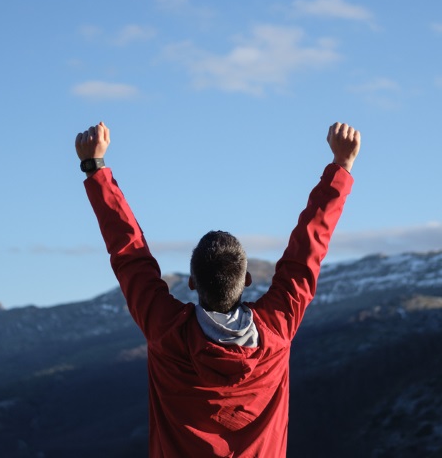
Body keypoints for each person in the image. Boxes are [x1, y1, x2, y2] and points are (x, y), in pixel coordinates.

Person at [75, 120, 360, 457]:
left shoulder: (167, 331)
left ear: (192, 283)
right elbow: (309, 249)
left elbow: (129, 254)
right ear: (248, 280)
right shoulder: (277, 329)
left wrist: (95, 168)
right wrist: (341, 166)